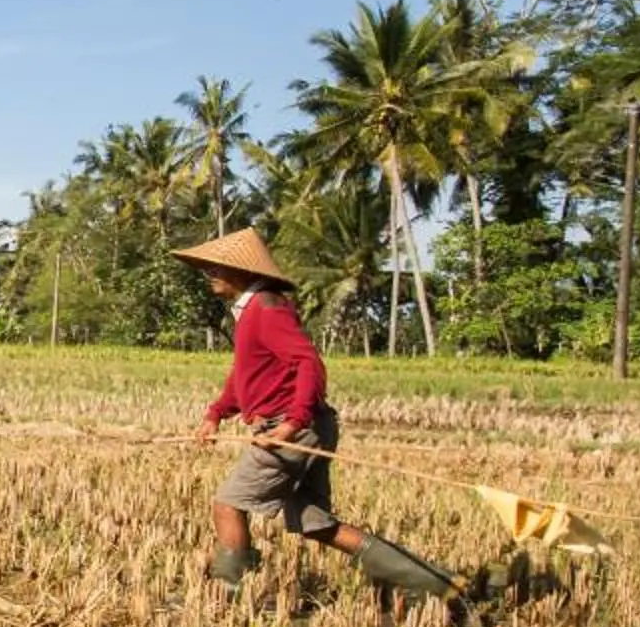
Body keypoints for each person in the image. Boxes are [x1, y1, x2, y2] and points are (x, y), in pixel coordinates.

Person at [175, 228, 456, 600]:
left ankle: (225, 596)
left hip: (291, 427)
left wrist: (292, 423)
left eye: (217, 268)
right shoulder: (252, 312)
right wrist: (216, 414)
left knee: (228, 505)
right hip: (304, 424)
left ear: (241, 272)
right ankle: (435, 585)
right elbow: (246, 375)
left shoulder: (266, 308)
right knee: (315, 524)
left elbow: (308, 363)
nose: (210, 275)